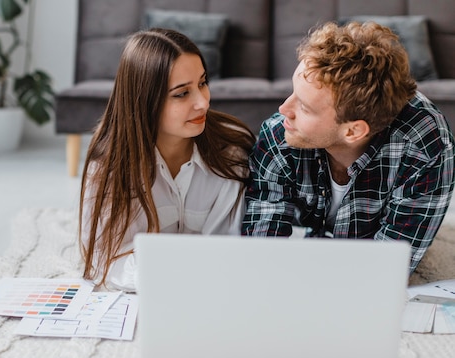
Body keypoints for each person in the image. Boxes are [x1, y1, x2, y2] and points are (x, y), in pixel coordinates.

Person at [242, 21, 455, 274]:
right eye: (293, 91)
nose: (284, 109)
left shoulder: (426, 147)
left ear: (353, 131)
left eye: (305, 107)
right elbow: (261, 253)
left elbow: (387, 269)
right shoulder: (279, 134)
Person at [79, 28, 256, 292]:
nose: (203, 103)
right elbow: (105, 262)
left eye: (203, 83)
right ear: (145, 101)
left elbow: (226, 249)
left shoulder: (230, 153)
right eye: (181, 93)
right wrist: (172, 277)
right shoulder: (110, 166)